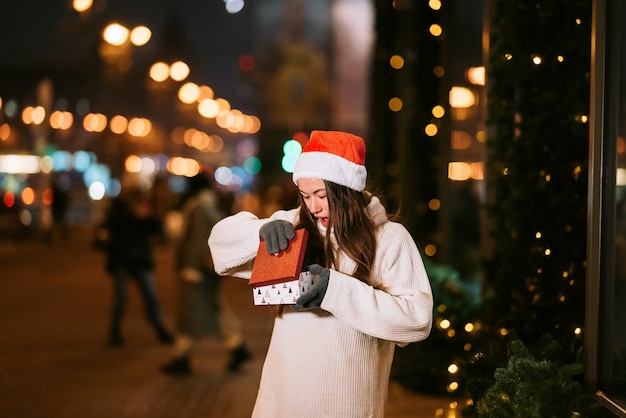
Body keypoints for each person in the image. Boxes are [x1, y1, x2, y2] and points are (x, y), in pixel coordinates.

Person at [208, 130, 433, 417]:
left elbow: (417, 320)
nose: (313, 207)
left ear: (346, 191)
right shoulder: (293, 226)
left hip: (347, 404)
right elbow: (219, 246)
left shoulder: (388, 238)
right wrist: (258, 234)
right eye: (305, 196)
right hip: (282, 401)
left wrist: (335, 290)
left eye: (321, 195)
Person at [161, 172, 251, 375]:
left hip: (198, 271)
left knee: (193, 313)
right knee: (210, 308)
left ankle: (183, 356)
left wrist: (191, 268)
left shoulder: (198, 207)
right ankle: (237, 346)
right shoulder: (207, 205)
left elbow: (198, 241)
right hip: (206, 270)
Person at [103, 177, 173, 346]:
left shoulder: (145, 205)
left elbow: (156, 228)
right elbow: (112, 225)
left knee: (150, 295)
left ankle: (158, 327)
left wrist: (152, 215)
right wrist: (134, 216)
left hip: (140, 259)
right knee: (121, 296)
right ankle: (115, 330)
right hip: (122, 258)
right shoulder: (119, 207)